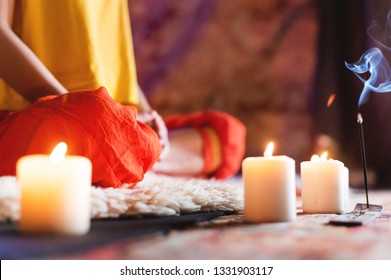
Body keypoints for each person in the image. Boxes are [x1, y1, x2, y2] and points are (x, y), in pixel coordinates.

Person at [0, 0, 245, 187]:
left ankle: (132, 155)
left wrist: (146, 113)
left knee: (226, 135)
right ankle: (137, 158)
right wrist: (78, 112)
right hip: (35, 117)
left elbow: (112, 59)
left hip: (103, 120)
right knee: (102, 130)